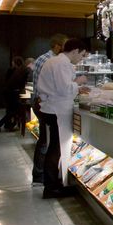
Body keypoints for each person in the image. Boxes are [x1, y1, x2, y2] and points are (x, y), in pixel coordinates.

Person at [36, 38, 89, 198]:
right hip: (56, 110)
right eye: (82, 55)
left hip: (52, 108)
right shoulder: (61, 63)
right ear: (75, 51)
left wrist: (77, 87)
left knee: (55, 147)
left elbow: (61, 86)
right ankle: (51, 187)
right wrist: (78, 82)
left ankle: (54, 184)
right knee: (55, 149)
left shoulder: (56, 61)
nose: (81, 59)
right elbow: (64, 88)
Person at [32, 34, 68, 185]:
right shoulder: (51, 61)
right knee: (46, 142)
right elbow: (58, 86)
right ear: (58, 46)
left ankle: (41, 176)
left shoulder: (43, 58)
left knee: (45, 140)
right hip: (45, 105)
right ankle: (41, 177)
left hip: (40, 102)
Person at [0, 56, 30, 133]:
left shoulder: (19, 70)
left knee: (11, 110)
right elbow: (26, 84)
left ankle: (6, 125)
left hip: (8, 92)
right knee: (15, 111)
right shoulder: (25, 70)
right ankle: (0, 125)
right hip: (12, 93)